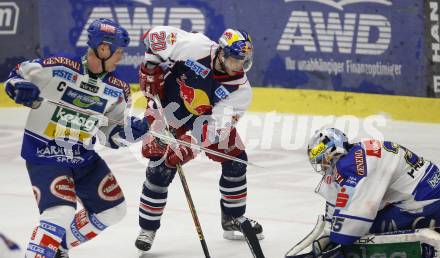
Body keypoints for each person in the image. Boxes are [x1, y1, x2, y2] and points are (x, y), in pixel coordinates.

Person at [4, 18, 154, 258]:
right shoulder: (58, 67)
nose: (120, 57)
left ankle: (56, 247)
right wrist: (20, 88)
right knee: (60, 212)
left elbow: (109, 135)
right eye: (118, 52)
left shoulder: (118, 89)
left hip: (83, 156)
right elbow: (16, 75)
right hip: (46, 152)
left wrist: (129, 133)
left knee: (113, 210)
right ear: (103, 49)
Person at [135, 26, 263, 253]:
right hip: (168, 111)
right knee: (159, 168)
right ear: (221, 52)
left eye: (243, 60)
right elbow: (152, 38)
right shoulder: (195, 46)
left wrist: (189, 146)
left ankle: (233, 218)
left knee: (235, 161)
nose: (239, 66)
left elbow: (215, 129)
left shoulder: (241, 90)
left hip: (204, 123)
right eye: (235, 59)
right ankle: (148, 229)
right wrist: (150, 67)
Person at [286, 128, 440, 257]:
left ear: (333, 151)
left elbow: (359, 215)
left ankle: (426, 242)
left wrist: (338, 245)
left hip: (428, 202)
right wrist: (330, 231)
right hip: (426, 192)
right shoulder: (356, 153)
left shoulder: (354, 164)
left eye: (323, 160)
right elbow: (344, 203)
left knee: (366, 230)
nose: (322, 165)